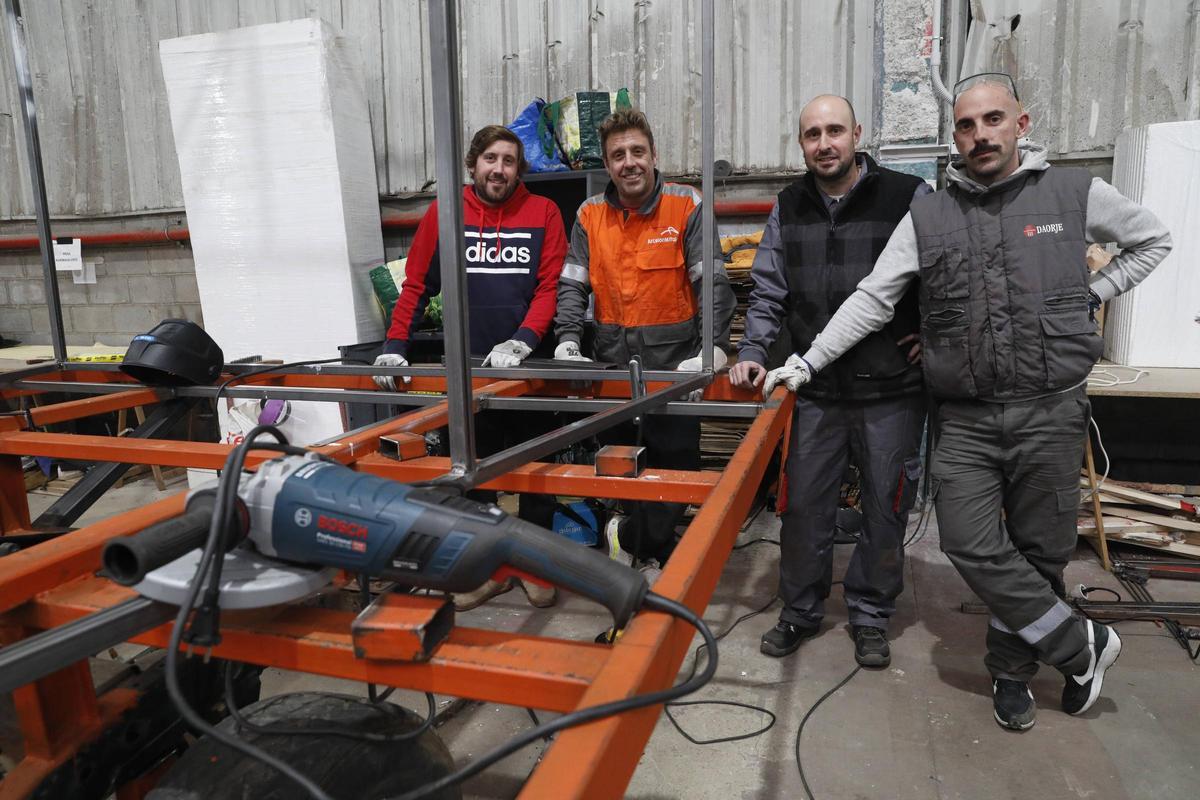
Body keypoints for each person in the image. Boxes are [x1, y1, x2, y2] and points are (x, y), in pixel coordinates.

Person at [768, 75, 1172, 730]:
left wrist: (1093, 293)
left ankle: (1013, 673)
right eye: (966, 124)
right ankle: (1079, 643)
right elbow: (875, 297)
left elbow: (1153, 239)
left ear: (1021, 122)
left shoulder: (1072, 193)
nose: (980, 134)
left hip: (1051, 407)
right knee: (968, 541)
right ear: (953, 134)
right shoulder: (929, 213)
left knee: (1040, 551)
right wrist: (808, 359)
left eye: (993, 120)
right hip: (965, 414)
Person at [729, 95, 931, 668]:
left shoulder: (907, 197)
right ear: (801, 143)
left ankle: (869, 615)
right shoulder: (789, 206)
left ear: (857, 133)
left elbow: (944, 273)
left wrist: (933, 334)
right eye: (812, 134)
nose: (825, 144)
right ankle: (799, 611)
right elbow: (769, 290)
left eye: (835, 130)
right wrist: (750, 349)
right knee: (803, 507)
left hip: (891, 387)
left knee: (885, 507)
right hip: (813, 390)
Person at [373, 124, 568, 609]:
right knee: (474, 473)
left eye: (508, 161)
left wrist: (522, 342)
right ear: (473, 164)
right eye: (491, 159)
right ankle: (490, 569)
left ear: (518, 169)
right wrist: (396, 343)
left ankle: (534, 565)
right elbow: (416, 283)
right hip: (468, 371)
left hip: (527, 369)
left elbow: (549, 289)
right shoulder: (446, 212)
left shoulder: (543, 212)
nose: (499, 169)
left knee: (533, 469)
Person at [553, 109, 735, 569]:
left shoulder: (685, 204)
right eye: (618, 155)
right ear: (608, 166)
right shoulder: (590, 213)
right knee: (621, 464)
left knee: (678, 468)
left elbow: (710, 282)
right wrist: (569, 341)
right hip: (611, 365)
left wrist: (710, 346)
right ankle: (646, 547)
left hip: (674, 369)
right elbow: (573, 283)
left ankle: (636, 539)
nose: (629, 162)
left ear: (654, 155)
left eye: (637, 151)